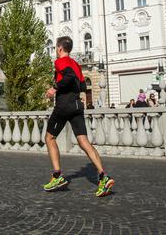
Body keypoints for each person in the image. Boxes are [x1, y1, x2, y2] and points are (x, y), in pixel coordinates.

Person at [42, 36, 114, 197]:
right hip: (76, 105)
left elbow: (67, 77)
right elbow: (81, 85)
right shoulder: (76, 64)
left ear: (60, 49)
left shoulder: (60, 62)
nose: (55, 51)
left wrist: (54, 88)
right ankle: (103, 176)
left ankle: (57, 176)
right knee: (83, 141)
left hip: (64, 105)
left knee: (49, 138)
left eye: (55, 48)